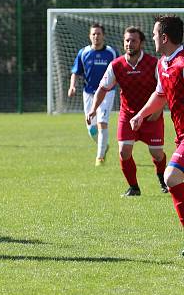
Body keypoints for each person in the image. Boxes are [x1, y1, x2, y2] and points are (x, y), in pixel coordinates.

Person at [87, 26, 166, 196]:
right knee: (124, 151)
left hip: (151, 116)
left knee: (157, 153)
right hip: (128, 115)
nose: (130, 44)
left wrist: (158, 111)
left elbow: (164, 90)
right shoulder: (116, 65)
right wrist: (93, 109)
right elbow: (102, 88)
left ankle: (162, 179)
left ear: (142, 43)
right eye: (127, 40)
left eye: (134, 40)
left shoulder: (154, 63)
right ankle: (134, 188)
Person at [131, 15, 184, 255]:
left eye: (153, 34)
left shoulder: (183, 63)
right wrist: (141, 114)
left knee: (171, 176)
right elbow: (160, 95)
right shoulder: (163, 64)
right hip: (181, 135)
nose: (151, 37)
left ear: (164, 37)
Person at [69, 23, 118, 165]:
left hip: (107, 92)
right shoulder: (83, 53)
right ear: (90, 36)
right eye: (94, 34)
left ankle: (100, 157)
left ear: (104, 36)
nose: (96, 36)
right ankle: (103, 145)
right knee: (91, 127)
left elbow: (119, 70)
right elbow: (76, 72)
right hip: (88, 93)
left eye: (99, 34)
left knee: (103, 122)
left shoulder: (111, 52)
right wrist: (72, 86)